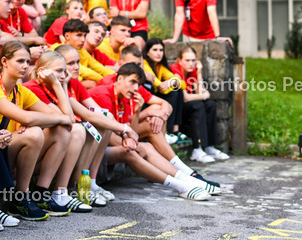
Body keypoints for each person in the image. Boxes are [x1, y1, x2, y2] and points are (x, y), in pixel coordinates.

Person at [0, 43, 84, 217]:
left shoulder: (19, 89)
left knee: (62, 130)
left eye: (27, 61)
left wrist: (59, 86)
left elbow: (68, 119)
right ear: (5, 61)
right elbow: (26, 118)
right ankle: (19, 198)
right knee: (35, 132)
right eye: (20, 61)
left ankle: (38, 193)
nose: (25, 66)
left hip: (5, 148)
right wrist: (57, 118)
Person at [87, 64, 212, 201]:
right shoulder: (103, 94)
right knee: (131, 151)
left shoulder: (123, 96)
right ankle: (182, 186)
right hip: (90, 151)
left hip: (105, 148)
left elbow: (131, 132)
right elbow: (107, 134)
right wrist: (136, 145)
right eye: (132, 82)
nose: (135, 88)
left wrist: (137, 111)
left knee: (145, 145)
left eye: (138, 84)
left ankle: (187, 178)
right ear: (120, 78)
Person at [39, 44, 141, 206]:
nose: (76, 67)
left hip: (65, 136)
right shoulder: (47, 86)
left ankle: (89, 182)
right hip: (49, 140)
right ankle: (67, 189)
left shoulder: (76, 84)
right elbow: (81, 115)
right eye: (70, 63)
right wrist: (125, 129)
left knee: (102, 122)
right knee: (82, 128)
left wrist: (124, 131)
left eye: (78, 62)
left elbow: (99, 112)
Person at [172, 46, 230, 162]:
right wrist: (203, 96)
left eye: (193, 60)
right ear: (180, 61)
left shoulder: (193, 70)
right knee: (198, 105)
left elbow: (200, 92)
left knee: (210, 104)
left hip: (190, 107)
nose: (191, 64)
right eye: (187, 60)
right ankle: (197, 149)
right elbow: (186, 98)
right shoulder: (175, 70)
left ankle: (209, 147)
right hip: (177, 113)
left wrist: (198, 73)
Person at [143, 38, 188, 144]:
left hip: (155, 97)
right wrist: (173, 81)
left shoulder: (160, 66)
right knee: (173, 92)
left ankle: (175, 130)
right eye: (155, 50)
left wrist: (171, 82)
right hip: (147, 101)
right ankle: (167, 130)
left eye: (161, 50)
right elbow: (161, 87)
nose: (159, 53)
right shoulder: (145, 64)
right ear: (147, 52)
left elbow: (183, 85)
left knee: (178, 91)